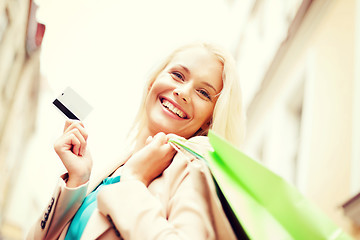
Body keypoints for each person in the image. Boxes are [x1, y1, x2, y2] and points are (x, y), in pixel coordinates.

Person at [27, 42, 245, 240]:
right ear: (153, 81)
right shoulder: (120, 162)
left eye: (204, 93)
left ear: (209, 121)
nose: (183, 92)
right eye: (178, 75)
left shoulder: (193, 171)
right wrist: (77, 181)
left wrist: (134, 180)